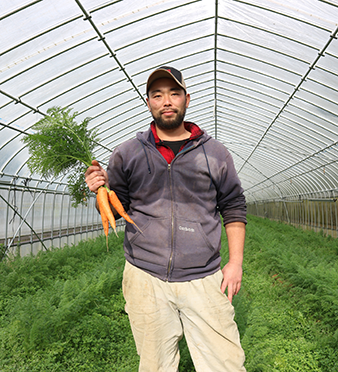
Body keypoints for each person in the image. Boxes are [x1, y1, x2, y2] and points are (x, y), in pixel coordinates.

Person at [85, 66, 247, 372]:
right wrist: (101, 190)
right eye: (157, 95)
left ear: (187, 99)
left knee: (225, 363)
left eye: (174, 93)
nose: (167, 101)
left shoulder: (215, 153)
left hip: (203, 276)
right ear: (149, 103)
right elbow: (116, 208)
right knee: (155, 365)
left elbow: (234, 205)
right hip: (145, 277)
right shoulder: (127, 153)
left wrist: (235, 263)